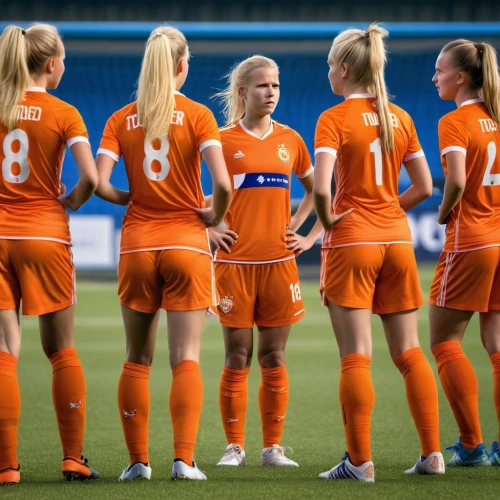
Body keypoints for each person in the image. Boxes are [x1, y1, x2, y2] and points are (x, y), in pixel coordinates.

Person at [95, 25, 231, 481]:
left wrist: (131, 198)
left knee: (136, 357)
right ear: (181, 66)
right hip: (186, 243)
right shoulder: (197, 115)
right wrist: (212, 215)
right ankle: (183, 460)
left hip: (137, 243)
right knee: (186, 356)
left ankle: (137, 462)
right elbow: (224, 185)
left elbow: (99, 183)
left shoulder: (120, 119)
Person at [313, 24, 444, 482]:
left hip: (354, 242)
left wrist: (328, 224)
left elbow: (320, 186)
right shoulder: (400, 117)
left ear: (344, 69)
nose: (328, 72)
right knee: (409, 352)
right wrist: (389, 208)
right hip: (397, 239)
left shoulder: (332, 119)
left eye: (331, 65)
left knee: (356, 358)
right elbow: (425, 188)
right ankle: (432, 454)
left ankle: (360, 462)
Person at [211, 55, 324, 468]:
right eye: (262, 86)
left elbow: (316, 191)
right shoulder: (221, 139)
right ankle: (234, 446)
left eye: (275, 85)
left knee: (273, 357)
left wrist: (300, 229)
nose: (270, 92)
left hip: (279, 263)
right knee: (237, 355)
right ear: (243, 93)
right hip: (234, 265)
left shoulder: (291, 139)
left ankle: (272, 448)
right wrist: (209, 229)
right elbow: (189, 193)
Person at [0, 24, 99, 484]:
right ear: (52, 64)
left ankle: (6, 466)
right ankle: (73, 458)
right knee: (61, 350)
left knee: (5, 353)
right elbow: (91, 177)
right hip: (45, 235)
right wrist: (73, 200)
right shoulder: (64, 112)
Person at [429, 39, 500, 467]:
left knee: (443, 341)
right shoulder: (497, 117)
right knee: (495, 343)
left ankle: (472, 446)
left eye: (439, 70)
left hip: (471, 240)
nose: (434, 78)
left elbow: (455, 180)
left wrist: (442, 213)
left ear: (459, 77)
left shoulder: (456, 122)